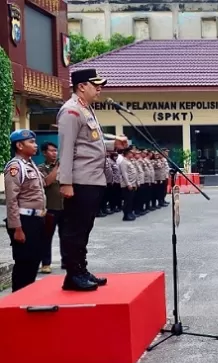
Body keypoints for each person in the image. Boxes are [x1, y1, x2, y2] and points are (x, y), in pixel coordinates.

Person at [57, 68, 128, 291]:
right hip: (80, 180)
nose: (99, 88)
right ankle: (73, 274)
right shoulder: (71, 112)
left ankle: (81, 269)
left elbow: (90, 144)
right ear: (81, 86)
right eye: (94, 84)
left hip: (94, 179)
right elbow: (66, 150)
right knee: (75, 228)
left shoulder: (86, 110)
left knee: (85, 227)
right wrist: (66, 182)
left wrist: (112, 145)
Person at [4, 130, 46, 292]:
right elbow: (11, 200)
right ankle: (17, 300)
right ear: (19, 145)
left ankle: (27, 297)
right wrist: (17, 229)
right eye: (31, 142)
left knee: (34, 261)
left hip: (36, 220)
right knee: (24, 263)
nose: (35, 145)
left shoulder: (31, 164)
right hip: (24, 221)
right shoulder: (15, 167)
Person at [38, 142, 63, 274]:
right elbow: (46, 182)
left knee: (66, 236)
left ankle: (67, 261)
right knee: (47, 237)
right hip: (50, 208)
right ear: (44, 153)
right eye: (52, 151)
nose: (55, 153)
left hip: (64, 207)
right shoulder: (41, 168)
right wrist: (57, 167)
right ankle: (46, 263)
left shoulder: (64, 167)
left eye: (56, 151)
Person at [119, 147, 138, 221]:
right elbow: (124, 174)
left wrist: (135, 184)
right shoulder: (123, 162)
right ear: (127, 153)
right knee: (127, 201)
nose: (132, 154)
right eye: (131, 153)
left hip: (132, 184)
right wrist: (128, 184)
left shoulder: (129, 161)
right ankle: (126, 215)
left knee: (131, 200)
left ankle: (129, 213)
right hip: (127, 185)